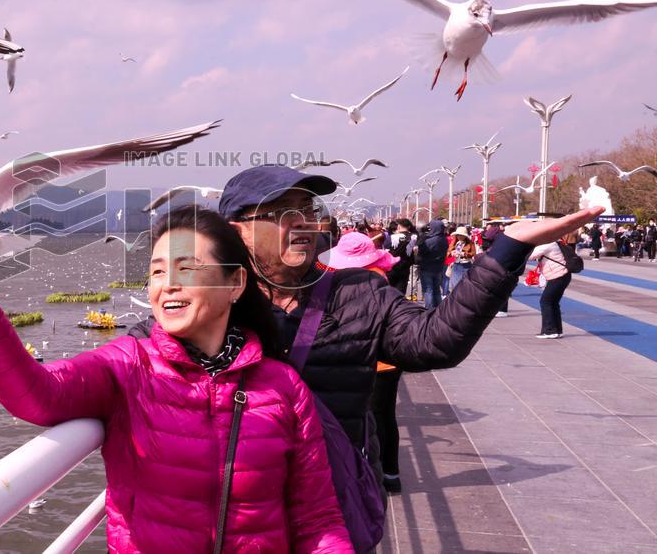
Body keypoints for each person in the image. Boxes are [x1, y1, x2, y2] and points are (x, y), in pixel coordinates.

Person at [0, 206, 354, 553]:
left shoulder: (282, 387)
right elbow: (38, 396)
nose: (167, 284)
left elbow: (317, 520)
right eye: (157, 272)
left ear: (235, 284)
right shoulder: (128, 366)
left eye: (187, 269)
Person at [128, 165, 602, 481]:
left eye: (309, 211)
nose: (305, 223)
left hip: (334, 502)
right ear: (237, 230)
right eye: (285, 213)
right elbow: (130, 361)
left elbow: (435, 342)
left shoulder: (357, 291)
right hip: (242, 509)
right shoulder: (208, 301)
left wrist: (507, 250)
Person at [323, 232, 406, 496]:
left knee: (369, 419)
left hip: (370, 359)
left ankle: (374, 475)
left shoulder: (357, 282)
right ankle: (391, 475)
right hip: (390, 360)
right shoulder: (380, 276)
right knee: (386, 416)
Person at [529, 232, 578, 339]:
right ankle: (557, 330)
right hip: (563, 275)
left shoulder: (548, 244)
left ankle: (550, 330)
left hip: (558, 276)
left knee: (545, 301)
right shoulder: (555, 241)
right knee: (553, 302)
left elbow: (530, 256)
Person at [416, 219, 449, 309]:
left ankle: (429, 310)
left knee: (428, 290)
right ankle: (439, 309)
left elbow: (420, 253)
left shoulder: (429, 241)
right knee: (437, 289)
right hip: (439, 268)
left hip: (427, 267)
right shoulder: (444, 239)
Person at [447, 227, 476, 292]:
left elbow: (473, 253)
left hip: (466, 265)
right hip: (456, 265)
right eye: (458, 235)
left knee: (464, 285)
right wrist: (452, 253)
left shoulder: (470, 243)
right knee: (454, 285)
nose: (459, 237)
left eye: (461, 235)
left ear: (465, 236)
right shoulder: (455, 242)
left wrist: (464, 254)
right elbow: (448, 252)